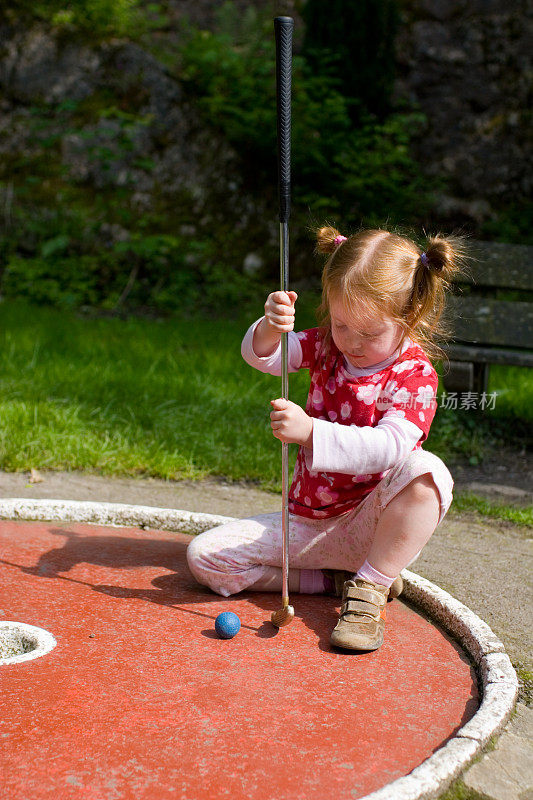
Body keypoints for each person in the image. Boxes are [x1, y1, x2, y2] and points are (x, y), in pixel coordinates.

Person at [187, 226, 465, 651]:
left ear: (410, 316)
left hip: (371, 526)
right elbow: (266, 357)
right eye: (341, 324)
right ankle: (328, 581)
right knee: (205, 558)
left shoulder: (415, 375)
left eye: (369, 333)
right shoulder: (327, 347)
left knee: (428, 473)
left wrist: (312, 432)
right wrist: (269, 326)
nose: (351, 342)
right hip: (309, 522)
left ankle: (370, 586)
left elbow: (389, 448)